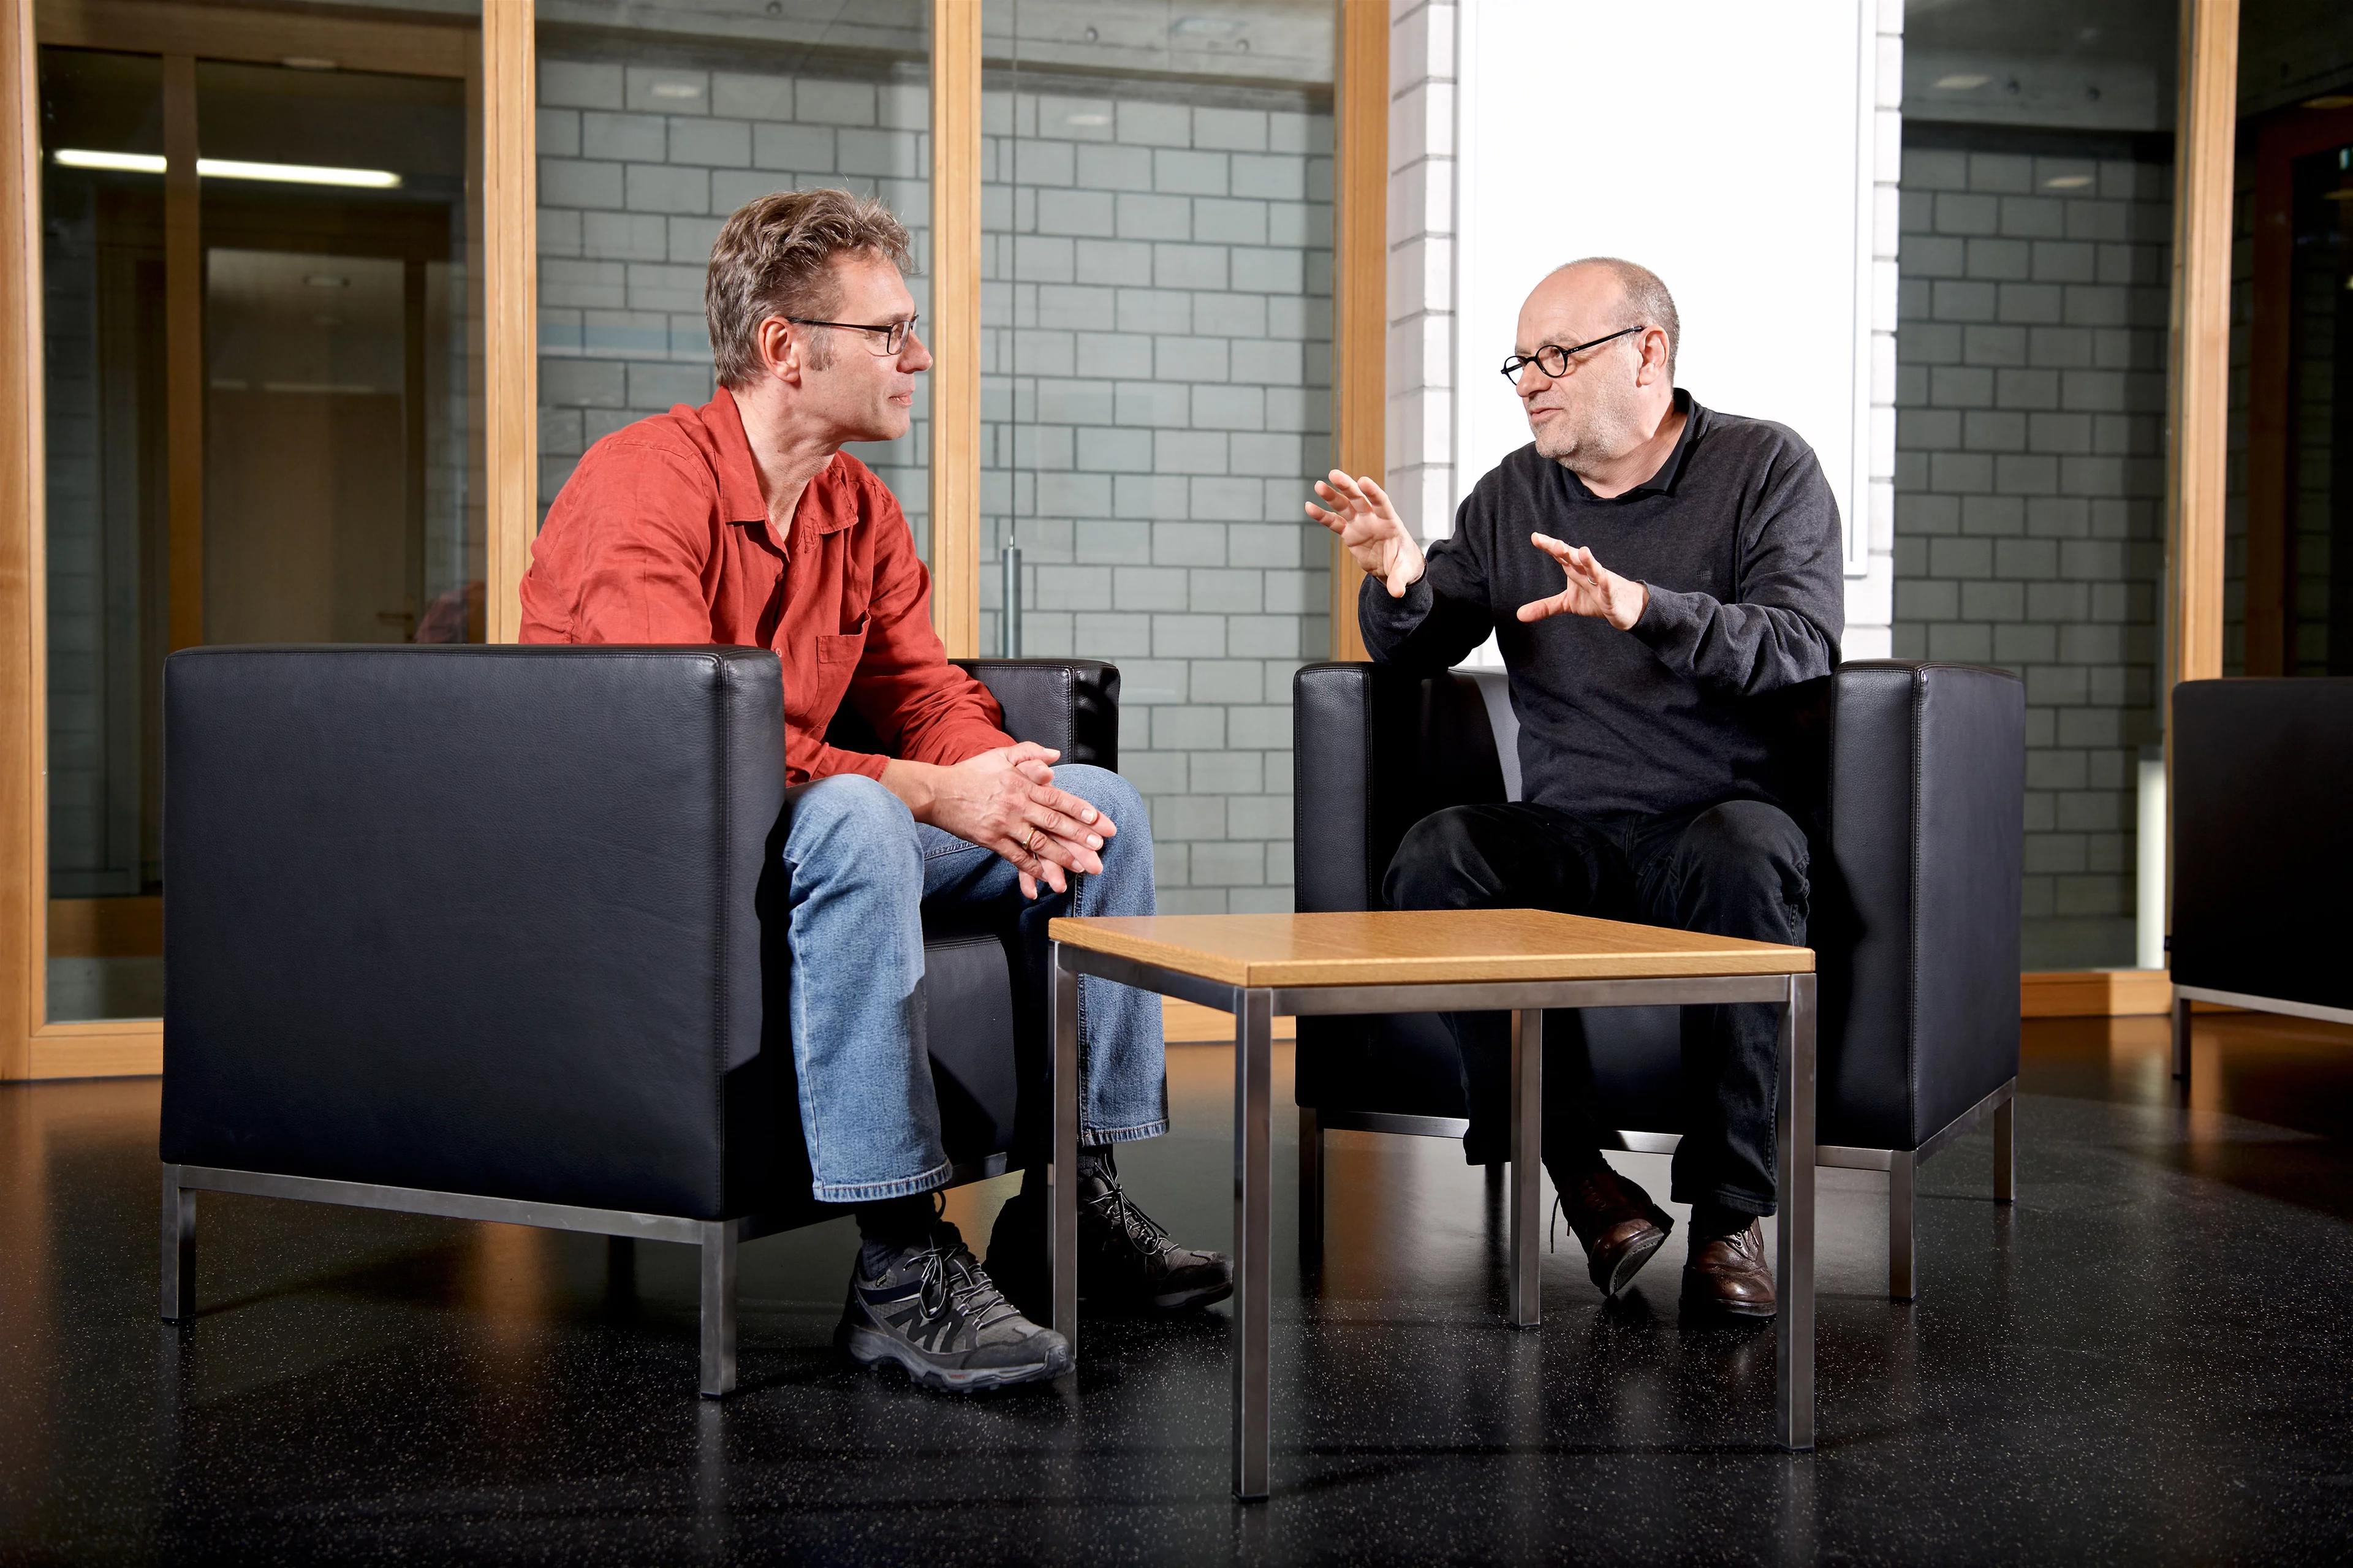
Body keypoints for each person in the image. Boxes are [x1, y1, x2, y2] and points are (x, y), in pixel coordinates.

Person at [521, 188, 1230, 1391]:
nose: (924, 356)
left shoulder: (859, 507)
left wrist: (991, 776)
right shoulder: (641, 481)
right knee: (861, 817)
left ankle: (1074, 1197)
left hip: (794, 819)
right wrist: (921, 788)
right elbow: (684, 744)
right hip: (649, 848)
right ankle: (900, 1263)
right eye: (891, 332)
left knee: (1099, 809)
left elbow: (925, 688)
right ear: (785, 349)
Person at [1305, 257, 1842, 1318]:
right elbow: (1420, 645)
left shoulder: (1766, 468)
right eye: (1523, 361)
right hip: (1572, 840)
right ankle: (1588, 1185)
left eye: (1559, 355)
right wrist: (1399, 576)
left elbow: (1800, 645)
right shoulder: (1513, 493)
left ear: (1650, 352)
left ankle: (1730, 1218)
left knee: (1751, 852)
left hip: (1712, 827)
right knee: (1436, 854)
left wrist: (1645, 607)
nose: (1532, 381)